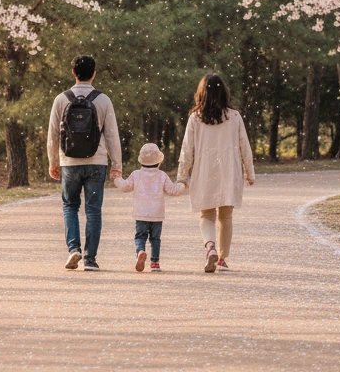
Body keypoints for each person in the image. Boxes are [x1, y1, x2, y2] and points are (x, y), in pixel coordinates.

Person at [47, 55, 122, 271]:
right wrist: (117, 165)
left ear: (73, 73)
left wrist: (54, 161)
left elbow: (53, 134)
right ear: (94, 73)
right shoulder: (103, 100)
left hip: (69, 161)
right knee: (93, 210)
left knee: (70, 206)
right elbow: (112, 135)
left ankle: (73, 249)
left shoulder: (61, 99)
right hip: (96, 162)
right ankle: (90, 259)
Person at [177, 73, 255, 273]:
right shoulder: (234, 117)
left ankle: (210, 247)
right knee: (226, 217)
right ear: (224, 92)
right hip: (229, 169)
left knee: (207, 214)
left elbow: (187, 149)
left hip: (205, 169)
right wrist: (250, 171)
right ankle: (221, 258)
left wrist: (182, 176)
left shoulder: (195, 118)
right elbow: (244, 145)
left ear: (201, 93)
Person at [114, 142, 185, 272]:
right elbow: (172, 190)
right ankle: (155, 263)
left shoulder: (136, 174)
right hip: (157, 214)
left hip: (141, 213)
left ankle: (140, 251)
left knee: (140, 236)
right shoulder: (162, 175)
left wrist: (116, 179)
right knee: (155, 239)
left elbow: (125, 187)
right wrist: (182, 184)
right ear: (159, 161)